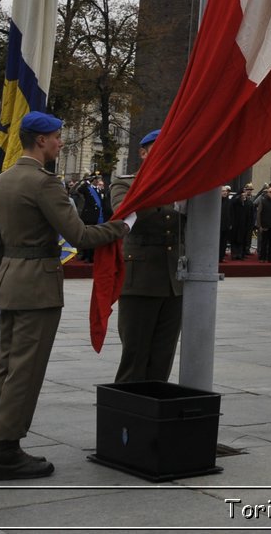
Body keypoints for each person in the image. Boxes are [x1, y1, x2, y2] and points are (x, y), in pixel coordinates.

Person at [0, 111, 133, 479]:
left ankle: (1, 442)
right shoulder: (44, 184)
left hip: (9, 284)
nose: (60, 142)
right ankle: (8, 453)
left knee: (5, 366)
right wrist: (123, 226)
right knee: (25, 370)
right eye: (57, 137)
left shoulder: (0, 181)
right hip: (37, 286)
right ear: (41, 140)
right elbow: (79, 236)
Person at [110, 129, 185, 384]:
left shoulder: (182, 183)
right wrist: (156, 185)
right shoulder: (125, 183)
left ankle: (153, 412)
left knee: (163, 357)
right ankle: (125, 417)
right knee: (135, 356)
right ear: (143, 153)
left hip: (173, 281)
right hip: (139, 280)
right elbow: (123, 213)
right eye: (157, 147)